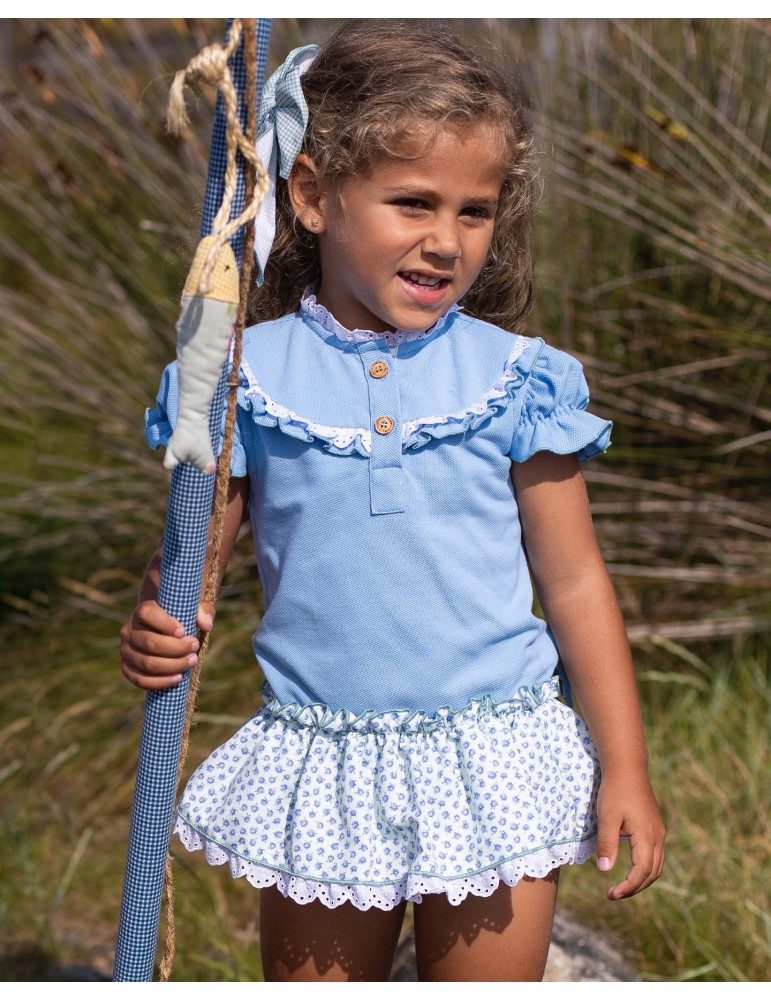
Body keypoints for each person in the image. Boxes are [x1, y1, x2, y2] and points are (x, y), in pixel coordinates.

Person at [120, 20, 665, 982]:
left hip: (494, 751)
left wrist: (624, 766)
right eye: (413, 201)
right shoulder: (247, 374)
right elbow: (190, 572)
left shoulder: (512, 379)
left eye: (474, 211)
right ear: (315, 196)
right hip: (323, 759)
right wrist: (159, 626)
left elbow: (575, 583)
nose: (446, 241)